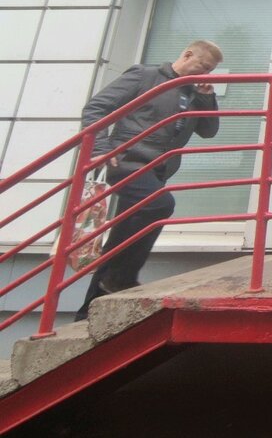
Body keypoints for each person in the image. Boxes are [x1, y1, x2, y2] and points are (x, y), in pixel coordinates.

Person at [75, 40, 223, 320]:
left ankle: (88, 311)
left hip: (157, 169)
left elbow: (209, 131)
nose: (205, 74)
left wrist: (206, 97)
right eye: (203, 67)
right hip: (127, 160)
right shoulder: (145, 76)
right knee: (160, 205)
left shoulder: (194, 92)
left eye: (210, 71)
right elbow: (96, 108)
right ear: (187, 54)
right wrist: (100, 149)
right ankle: (121, 278)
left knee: (122, 235)